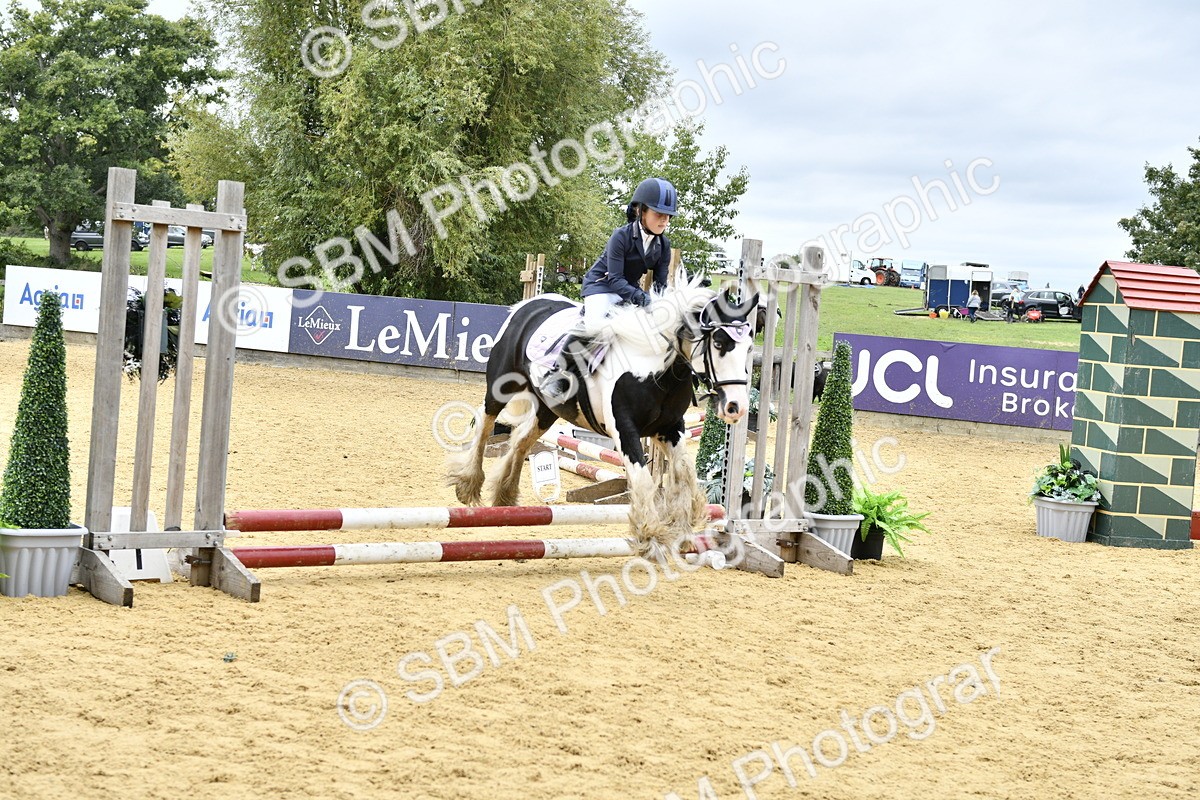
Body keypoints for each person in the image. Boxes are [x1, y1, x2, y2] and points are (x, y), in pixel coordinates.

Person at [540, 178, 676, 400]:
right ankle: (557, 375)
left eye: (667, 215)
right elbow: (614, 279)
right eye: (658, 213)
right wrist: (642, 297)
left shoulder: (664, 245)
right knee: (594, 326)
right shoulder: (621, 236)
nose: (664, 220)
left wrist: (661, 303)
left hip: (628, 290)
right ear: (640, 211)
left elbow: (660, 285)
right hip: (601, 285)